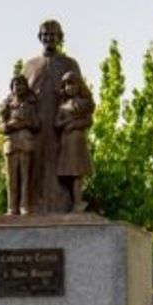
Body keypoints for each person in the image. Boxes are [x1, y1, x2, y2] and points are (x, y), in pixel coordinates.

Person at [19, 19, 85, 214]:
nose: (49, 38)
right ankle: (32, 205)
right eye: (45, 35)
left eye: (53, 35)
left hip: (62, 125)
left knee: (64, 166)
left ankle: (67, 204)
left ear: (60, 38)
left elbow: (81, 93)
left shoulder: (69, 63)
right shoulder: (29, 66)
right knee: (35, 166)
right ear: (40, 37)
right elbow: (20, 94)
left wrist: (76, 120)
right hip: (36, 125)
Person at [0, 72, 41, 215]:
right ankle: (11, 207)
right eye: (16, 84)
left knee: (25, 178)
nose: (19, 87)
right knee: (11, 179)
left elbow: (36, 124)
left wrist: (23, 123)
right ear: (12, 88)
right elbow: (1, 127)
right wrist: (10, 125)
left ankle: (24, 206)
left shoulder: (30, 104)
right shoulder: (7, 106)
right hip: (11, 144)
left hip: (26, 143)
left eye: (22, 84)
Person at [55, 68, 94, 212]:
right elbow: (56, 123)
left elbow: (88, 121)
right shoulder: (63, 106)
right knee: (68, 173)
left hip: (77, 141)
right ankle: (72, 201)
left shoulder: (83, 103)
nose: (69, 88)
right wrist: (67, 123)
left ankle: (78, 202)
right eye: (66, 85)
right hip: (66, 142)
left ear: (79, 86)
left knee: (77, 173)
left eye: (72, 84)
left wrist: (75, 124)